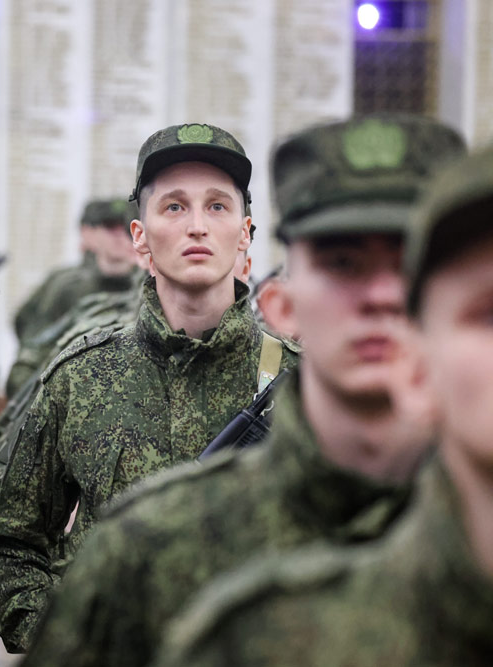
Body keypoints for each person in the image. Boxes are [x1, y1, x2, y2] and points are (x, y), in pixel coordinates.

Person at [21, 114, 464, 667]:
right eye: (343, 263)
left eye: (408, 262)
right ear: (284, 303)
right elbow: (12, 533)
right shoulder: (140, 546)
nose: (380, 295)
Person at [157, 141, 493, 667]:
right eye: (486, 315)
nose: (379, 297)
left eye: (405, 267)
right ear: (416, 359)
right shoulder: (249, 632)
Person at [0, 123, 298, 652]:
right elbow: (10, 536)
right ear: (139, 236)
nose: (197, 226)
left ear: (245, 235)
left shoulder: (300, 384)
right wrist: (60, 638)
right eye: (174, 207)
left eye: (217, 206)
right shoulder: (82, 375)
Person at [12, 197, 140, 351]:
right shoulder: (68, 286)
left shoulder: (149, 286)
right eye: (110, 227)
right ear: (94, 233)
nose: (120, 236)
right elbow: (35, 339)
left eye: (126, 228)